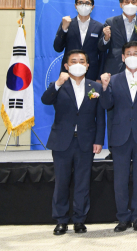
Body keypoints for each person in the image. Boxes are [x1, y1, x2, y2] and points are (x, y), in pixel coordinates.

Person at [41, 50, 104, 235]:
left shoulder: (95, 87)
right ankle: (61, 220)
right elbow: (45, 100)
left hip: (86, 141)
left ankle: (79, 219)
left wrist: (99, 140)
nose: (78, 64)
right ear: (66, 66)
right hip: (62, 141)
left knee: (82, 183)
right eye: (74, 61)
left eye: (82, 61)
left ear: (87, 65)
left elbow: (100, 117)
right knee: (61, 182)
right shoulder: (58, 85)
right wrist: (58, 83)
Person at [99, 41, 137, 232]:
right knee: (120, 179)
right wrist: (104, 87)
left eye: (136, 53)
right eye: (128, 53)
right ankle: (122, 217)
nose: (132, 56)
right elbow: (107, 105)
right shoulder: (113, 80)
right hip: (120, 135)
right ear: (123, 57)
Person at [99, 0, 137, 75]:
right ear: (121, 4)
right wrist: (106, 38)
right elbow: (101, 48)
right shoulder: (111, 22)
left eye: (133, 2)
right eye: (127, 2)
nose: (130, 4)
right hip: (114, 68)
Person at [53, 0, 104, 82]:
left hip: (91, 74)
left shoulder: (99, 27)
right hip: (69, 72)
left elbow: (102, 54)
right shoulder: (67, 23)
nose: (84, 5)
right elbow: (57, 48)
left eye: (87, 3)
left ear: (92, 7)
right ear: (75, 6)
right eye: (80, 3)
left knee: (90, 92)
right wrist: (64, 29)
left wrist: (99, 77)